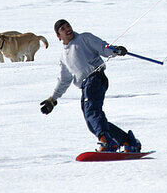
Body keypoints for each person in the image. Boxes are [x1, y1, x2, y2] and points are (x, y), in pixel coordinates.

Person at [39, 19, 142, 153]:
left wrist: (116, 50)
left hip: (95, 77)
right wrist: (52, 99)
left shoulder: (84, 38)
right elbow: (64, 79)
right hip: (85, 84)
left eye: (68, 25)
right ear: (58, 36)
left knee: (92, 112)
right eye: (63, 29)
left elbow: (104, 48)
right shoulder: (64, 56)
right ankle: (127, 141)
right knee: (91, 120)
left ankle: (106, 142)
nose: (67, 29)